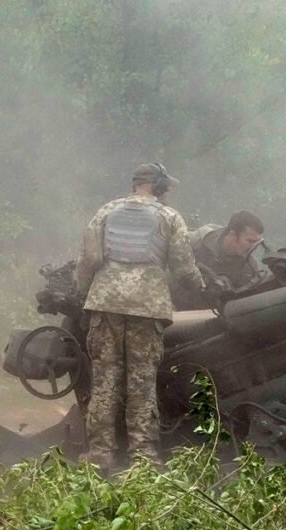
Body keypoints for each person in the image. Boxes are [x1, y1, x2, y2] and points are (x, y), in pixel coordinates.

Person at [75, 163, 205, 469]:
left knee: (105, 380)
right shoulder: (169, 217)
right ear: (158, 185)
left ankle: (100, 454)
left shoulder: (106, 211)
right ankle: (143, 457)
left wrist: (84, 293)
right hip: (147, 307)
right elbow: (183, 267)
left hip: (106, 304)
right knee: (142, 381)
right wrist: (201, 287)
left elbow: (89, 258)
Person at [180, 211, 265, 306]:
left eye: (256, 242)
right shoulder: (197, 240)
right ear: (232, 235)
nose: (252, 246)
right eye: (249, 241)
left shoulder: (250, 267)